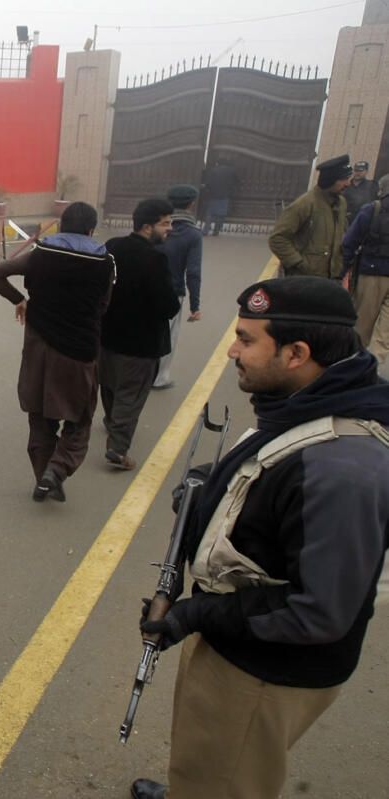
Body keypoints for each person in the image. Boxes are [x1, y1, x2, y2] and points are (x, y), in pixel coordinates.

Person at [131, 276, 389, 799]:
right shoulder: (306, 403)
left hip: (265, 668)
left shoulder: (343, 466)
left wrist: (194, 614)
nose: (231, 350)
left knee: (229, 777)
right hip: (244, 643)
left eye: (247, 340)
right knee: (210, 761)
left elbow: (316, 611)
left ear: (297, 352)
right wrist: (211, 490)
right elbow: (273, 479)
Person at [0, 202, 115, 502]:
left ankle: (44, 474)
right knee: (79, 421)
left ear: (60, 226)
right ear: (91, 230)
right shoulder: (104, 262)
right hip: (79, 353)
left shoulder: (41, 254)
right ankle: (55, 472)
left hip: (38, 351)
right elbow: (104, 307)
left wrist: (21, 299)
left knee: (40, 418)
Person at [99, 198, 180, 470]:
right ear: (147, 227)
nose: (169, 228)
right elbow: (168, 305)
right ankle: (118, 449)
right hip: (141, 344)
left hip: (107, 336)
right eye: (165, 223)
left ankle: (111, 425)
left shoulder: (112, 247)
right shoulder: (155, 259)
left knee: (110, 387)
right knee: (130, 397)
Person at [153, 185, 205, 389]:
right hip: (173, 291)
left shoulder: (154, 227)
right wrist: (195, 306)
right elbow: (193, 272)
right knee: (168, 336)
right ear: (191, 204)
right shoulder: (193, 235)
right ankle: (159, 379)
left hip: (147, 287)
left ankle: (142, 374)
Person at [269, 155, 352, 280]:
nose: (348, 183)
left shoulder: (341, 203)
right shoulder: (305, 204)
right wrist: (298, 263)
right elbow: (277, 238)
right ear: (329, 180)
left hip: (332, 277)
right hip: (304, 279)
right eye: (343, 179)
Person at [341, 174, 389, 364]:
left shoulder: (372, 210)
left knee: (362, 325)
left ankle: (355, 366)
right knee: (385, 332)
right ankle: (373, 367)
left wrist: (344, 269)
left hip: (371, 274)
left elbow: (349, 242)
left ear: (381, 190)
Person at [199, 159, 236, 236]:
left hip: (213, 194)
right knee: (220, 214)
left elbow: (209, 182)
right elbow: (235, 182)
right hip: (225, 195)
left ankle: (206, 230)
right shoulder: (232, 171)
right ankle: (216, 231)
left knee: (209, 213)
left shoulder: (213, 170)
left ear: (217, 163)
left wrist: (205, 187)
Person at [343, 160, 376, 226]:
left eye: (360, 171)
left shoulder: (372, 186)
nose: (357, 173)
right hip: (345, 222)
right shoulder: (346, 185)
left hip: (362, 223)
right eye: (356, 170)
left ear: (366, 171)